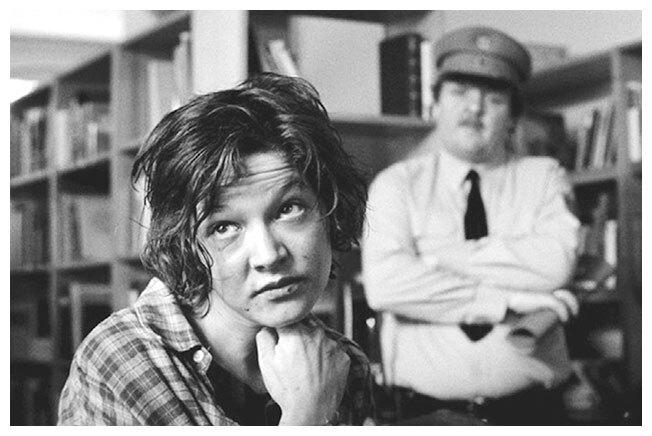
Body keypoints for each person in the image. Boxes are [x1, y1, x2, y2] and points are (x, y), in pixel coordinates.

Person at [58, 73, 373, 425]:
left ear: (329, 210)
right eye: (224, 227)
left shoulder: (341, 364)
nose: (269, 256)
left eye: (288, 209)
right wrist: (308, 415)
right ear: (189, 247)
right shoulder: (121, 363)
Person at [361, 26, 580, 425]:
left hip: (534, 413)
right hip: (421, 415)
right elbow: (384, 285)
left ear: (512, 116)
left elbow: (555, 266)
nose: (474, 108)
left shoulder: (545, 177)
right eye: (459, 92)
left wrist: (433, 258)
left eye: (494, 98)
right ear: (436, 104)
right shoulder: (395, 184)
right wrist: (508, 300)